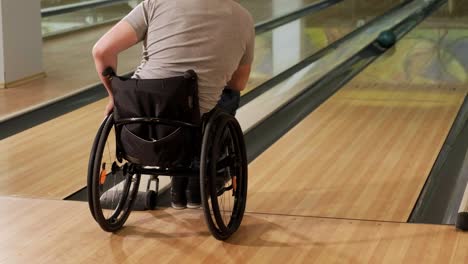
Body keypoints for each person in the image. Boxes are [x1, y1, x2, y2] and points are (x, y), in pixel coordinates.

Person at [92, 0, 255, 209]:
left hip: (137, 118)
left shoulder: (154, 4)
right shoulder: (243, 17)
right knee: (228, 94)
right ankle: (198, 182)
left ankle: (179, 189)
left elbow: (101, 51)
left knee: (166, 97)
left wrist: (113, 96)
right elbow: (238, 83)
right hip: (191, 125)